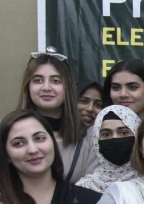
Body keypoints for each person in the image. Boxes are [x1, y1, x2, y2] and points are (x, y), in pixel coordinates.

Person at [9, 49, 92, 183]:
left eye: (55, 81)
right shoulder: (4, 132)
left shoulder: (88, 138)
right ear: (28, 86)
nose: (46, 87)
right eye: (38, 80)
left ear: (67, 87)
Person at [73, 105, 139, 194]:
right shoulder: (85, 187)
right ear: (96, 140)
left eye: (123, 133)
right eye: (106, 134)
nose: (115, 139)